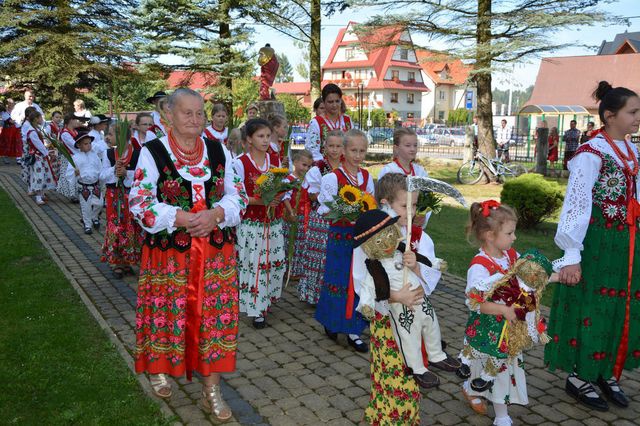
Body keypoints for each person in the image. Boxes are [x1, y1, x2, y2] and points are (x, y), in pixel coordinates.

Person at [129, 88, 245, 422]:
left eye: (200, 113)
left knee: (215, 320)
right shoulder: (152, 152)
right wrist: (180, 218)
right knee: (167, 312)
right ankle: (159, 366)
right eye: (186, 113)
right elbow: (139, 202)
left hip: (215, 255)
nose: (194, 120)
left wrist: (216, 215)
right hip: (170, 255)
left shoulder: (218, 150)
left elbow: (237, 195)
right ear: (168, 115)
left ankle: (212, 390)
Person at [544, 81, 640, 412]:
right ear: (610, 115)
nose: (638, 118)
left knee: (618, 308)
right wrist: (571, 254)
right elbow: (577, 204)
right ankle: (579, 374)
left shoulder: (632, 151)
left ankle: (603, 369)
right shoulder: (591, 153)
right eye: (633, 112)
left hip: (626, 244)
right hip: (596, 244)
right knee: (590, 307)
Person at [356, 174, 460, 386]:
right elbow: (361, 279)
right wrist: (394, 296)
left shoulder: (418, 236)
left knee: (429, 324)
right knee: (394, 379)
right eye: (405, 206)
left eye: (414, 205)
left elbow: (431, 274)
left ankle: (435, 356)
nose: (412, 212)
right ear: (386, 204)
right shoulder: (370, 238)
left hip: (417, 306)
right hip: (387, 318)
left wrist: (416, 267)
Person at [460, 201, 528, 426]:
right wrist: (502, 309)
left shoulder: (510, 255)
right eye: (510, 233)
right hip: (488, 330)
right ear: (490, 235)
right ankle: (502, 417)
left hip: (507, 331)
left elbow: (526, 274)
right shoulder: (480, 267)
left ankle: (471, 388)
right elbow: (474, 303)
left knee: (496, 369)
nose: (514, 237)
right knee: (495, 369)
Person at [315, 128, 373, 352]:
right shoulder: (333, 177)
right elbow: (323, 208)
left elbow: (371, 205)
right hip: (340, 238)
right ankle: (332, 321)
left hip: (360, 240)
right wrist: (341, 212)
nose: (358, 156)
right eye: (353, 150)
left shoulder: (366, 177)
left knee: (358, 281)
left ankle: (353, 329)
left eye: (362, 151)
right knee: (338, 281)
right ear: (344, 151)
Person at [234, 118, 286, 329]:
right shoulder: (240, 162)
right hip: (251, 223)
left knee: (274, 262)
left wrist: (279, 196)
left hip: (272, 223)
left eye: (267, 136)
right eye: (260, 136)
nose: (265, 141)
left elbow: (282, 187)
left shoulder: (275, 162)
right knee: (253, 263)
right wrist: (260, 200)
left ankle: (267, 298)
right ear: (249, 139)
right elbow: (236, 196)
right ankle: (256, 308)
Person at [297, 130, 344, 305]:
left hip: (342, 218)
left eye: (338, 146)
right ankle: (314, 294)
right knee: (318, 255)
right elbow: (311, 194)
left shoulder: (347, 167)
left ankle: (334, 293)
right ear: (324, 146)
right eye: (331, 146)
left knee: (335, 255)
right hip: (322, 218)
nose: (334, 150)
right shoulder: (318, 167)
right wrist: (330, 198)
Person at [100, 120, 142, 278]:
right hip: (114, 196)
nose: (108, 137)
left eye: (110, 134)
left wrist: (127, 174)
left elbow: (141, 176)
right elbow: (102, 176)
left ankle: (128, 260)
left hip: (130, 196)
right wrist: (114, 170)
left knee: (130, 226)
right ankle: (117, 261)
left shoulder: (138, 153)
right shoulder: (109, 154)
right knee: (115, 227)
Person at [378, 128, 430, 226]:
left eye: (415, 145)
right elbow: (383, 201)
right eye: (408, 145)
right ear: (396, 148)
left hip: (415, 224)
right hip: (394, 224)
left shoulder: (420, 171)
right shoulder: (389, 170)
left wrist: (422, 216)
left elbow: (428, 199)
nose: (412, 149)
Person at [282, 149, 314, 280]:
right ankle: (289, 269)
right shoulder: (289, 179)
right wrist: (290, 212)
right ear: (295, 162)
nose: (306, 168)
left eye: (309, 166)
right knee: (291, 242)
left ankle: (298, 269)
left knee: (301, 243)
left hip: (304, 216)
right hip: (293, 215)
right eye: (304, 165)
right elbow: (285, 197)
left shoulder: (308, 179)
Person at [305, 83, 352, 161]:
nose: (334, 105)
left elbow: (352, 145)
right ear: (324, 102)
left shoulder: (347, 120)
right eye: (330, 102)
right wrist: (330, 169)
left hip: (345, 168)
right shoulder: (316, 123)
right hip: (324, 169)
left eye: (337, 101)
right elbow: (312, 151)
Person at [68, 132, 103, 234]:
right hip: (84, 186)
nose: (89, 146)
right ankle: (87, 225)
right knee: (86, 206)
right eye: (86, 144)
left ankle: (94, 217)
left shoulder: (94, 156)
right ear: (79, 145)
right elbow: (69, 172)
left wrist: (100, 177)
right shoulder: (75, 157)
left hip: (95, 184)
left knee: (100, 203)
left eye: (89, 143)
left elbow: (99, 167)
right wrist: (75, 173)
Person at [23, 109, 56, 205]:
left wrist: (47, 152)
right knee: (39, 175)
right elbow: (38, 144)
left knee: (42, 174)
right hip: (37, 156)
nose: (42, 118)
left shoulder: (36, 129)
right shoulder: (32, 131)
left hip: (40, 156)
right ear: (36, 119)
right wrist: (47, 153)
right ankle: (38, 197)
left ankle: (41, 195)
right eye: (40, 117)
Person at [56, 114, 86, 201]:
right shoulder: (65, 133)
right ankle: (72, 195)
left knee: (76, 175)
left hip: (76, 156)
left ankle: (76, 194)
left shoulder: (74, 131)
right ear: (70, 121)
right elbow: (74, 145)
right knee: (70, 175)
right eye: (76, 120)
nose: (78, 122)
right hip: (69, 157)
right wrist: (82, 148)